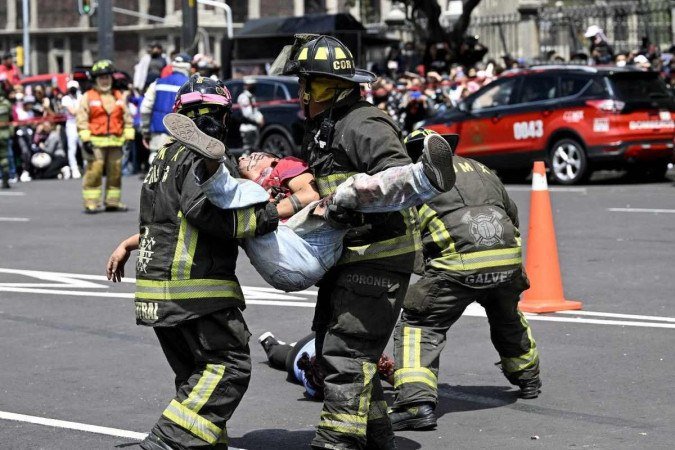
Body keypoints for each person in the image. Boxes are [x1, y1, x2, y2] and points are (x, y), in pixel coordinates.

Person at [272, 34, 455, 449]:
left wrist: (345, 203)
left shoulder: (363, 122)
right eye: (305, 85)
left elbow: (398, 178)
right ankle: (376, 436)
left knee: (345, 354)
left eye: (312, 86)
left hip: (376, 256)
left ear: (335, 88)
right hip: (351, 258)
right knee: (335, 347)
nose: (305, 95)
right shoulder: (328, 126)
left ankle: (336, 442)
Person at [107, 75, 280, 450]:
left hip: (156, 291)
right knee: (228, 367)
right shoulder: (206, 156)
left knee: (195, 379)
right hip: (196, 289)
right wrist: (262, 217)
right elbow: (202, 211)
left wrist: (128, 243)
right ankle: (166, 443)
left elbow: (168, 220)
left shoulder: (162, 157)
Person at [110, 111, 455, 294]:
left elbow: (309, 194)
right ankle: (211, 166)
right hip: (293, 252)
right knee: (237, 204)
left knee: (346, 192)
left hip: (308, 248)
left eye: (256, 157)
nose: (250, 157)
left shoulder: (283, 169)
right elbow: (186, 224)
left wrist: (270, 210)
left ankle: (425, 177)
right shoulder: (252, 186)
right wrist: (129, 243)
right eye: (244, 158)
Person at [387, 129, 541, 432]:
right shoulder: (482, 169)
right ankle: (529, 379)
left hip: (456, 265)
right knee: (506, 316)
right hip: (506, 259)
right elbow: (512, 212)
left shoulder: (416, 176)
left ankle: (416, 404)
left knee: (421, 325)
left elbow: (406, 232)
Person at [259, 332, 396, 401]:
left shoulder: (357, 356)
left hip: (323, 339)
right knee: (281, 357)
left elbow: (390, 371)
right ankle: (269, 343)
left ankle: (271, 344)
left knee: (282, 356)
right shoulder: (315, 386)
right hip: (304, 350)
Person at [76, 59, 134, 213]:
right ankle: (91, 202)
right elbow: (81, 119)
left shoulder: (117, 96)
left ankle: (112, 201)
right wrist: (86, 139)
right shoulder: (88, 96)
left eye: (107, 77)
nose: (104, 80)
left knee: (115, 172)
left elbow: (126, 118)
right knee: (94, 172)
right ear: (95, 80)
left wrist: (129, 136)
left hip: (116, 141)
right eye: (101, 78)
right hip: (96, 142)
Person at [140, 53, 191, 164]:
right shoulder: (190, 85)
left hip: (159, 133)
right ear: (188, 66)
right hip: (181, 135)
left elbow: (145, 109)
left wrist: (145, 131)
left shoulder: (157, 83)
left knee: (156, 162)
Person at [60, 80, 82, 179]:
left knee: (84, 146)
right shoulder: (66, 99)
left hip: (81, 123)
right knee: (72, 147)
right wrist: (81, 110)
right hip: (71, 124)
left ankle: (86, 166)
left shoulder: (81, 97)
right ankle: (74, 168)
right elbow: (72, 112)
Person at [236, 78, 264, 155]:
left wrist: (260, 117)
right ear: (247, 86)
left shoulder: (251, 96)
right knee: (247, 151)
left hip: (253, 127)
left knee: (254, 150)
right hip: (247, 128)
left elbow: (255, 110)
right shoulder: (244, 97)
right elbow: (247, 114)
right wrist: (257, 120)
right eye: (252, 85)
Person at [0, 82, 12, 188]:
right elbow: (11, 118)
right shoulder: (6, 104)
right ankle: (5, 179)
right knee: (4, 157)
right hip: (4, 133)